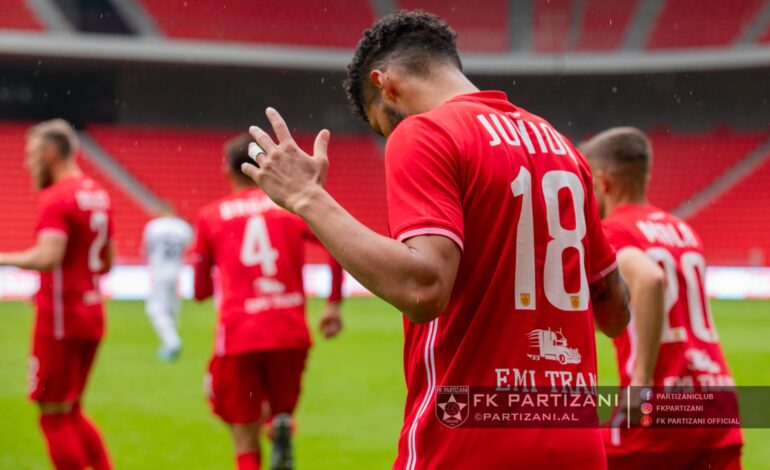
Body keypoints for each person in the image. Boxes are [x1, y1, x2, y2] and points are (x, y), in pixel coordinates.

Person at [240, 11, 630, 469]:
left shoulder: (427, 132)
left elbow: (423, 288)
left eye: (382, 125)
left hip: (471, 441)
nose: (390, 135)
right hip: (575, 443)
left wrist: (308, 197)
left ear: (385, 85)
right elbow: (614, 313)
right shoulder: (563, 149)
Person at [582, 127, 743, 469]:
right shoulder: (682, 230)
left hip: (664, 398)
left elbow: (649, 279)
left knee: (581, 457)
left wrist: (641, 380)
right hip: (718, 396)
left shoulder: (615, 230)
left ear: (603, 182)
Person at [192, 133, 345, 470]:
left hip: (240, 333)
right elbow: (339, 242)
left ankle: (267, 433)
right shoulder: (291, 208)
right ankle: (280, 424)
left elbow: (200, 291)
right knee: (280, 410)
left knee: (242, 431)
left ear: (228, 169)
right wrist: (333, 305)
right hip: (289, 330)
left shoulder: (211, 216)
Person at [0, 119, 113, 470]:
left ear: (51, 152)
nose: (27, 163)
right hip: (92, 313)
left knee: (52, 415)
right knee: (72, 409)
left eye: (32, 154)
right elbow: (106, 262)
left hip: (61, 318)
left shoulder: (57, 197)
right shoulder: (97, 193)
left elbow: (48, 257)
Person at [142, 205, 193, 360]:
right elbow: (190, 246)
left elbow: (147, 249)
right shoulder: (183, 227)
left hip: (159, 271)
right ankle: (170, 342)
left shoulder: (154, 226)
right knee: (171, 308)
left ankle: (172, 342)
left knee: (155, 309)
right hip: (176, 270)